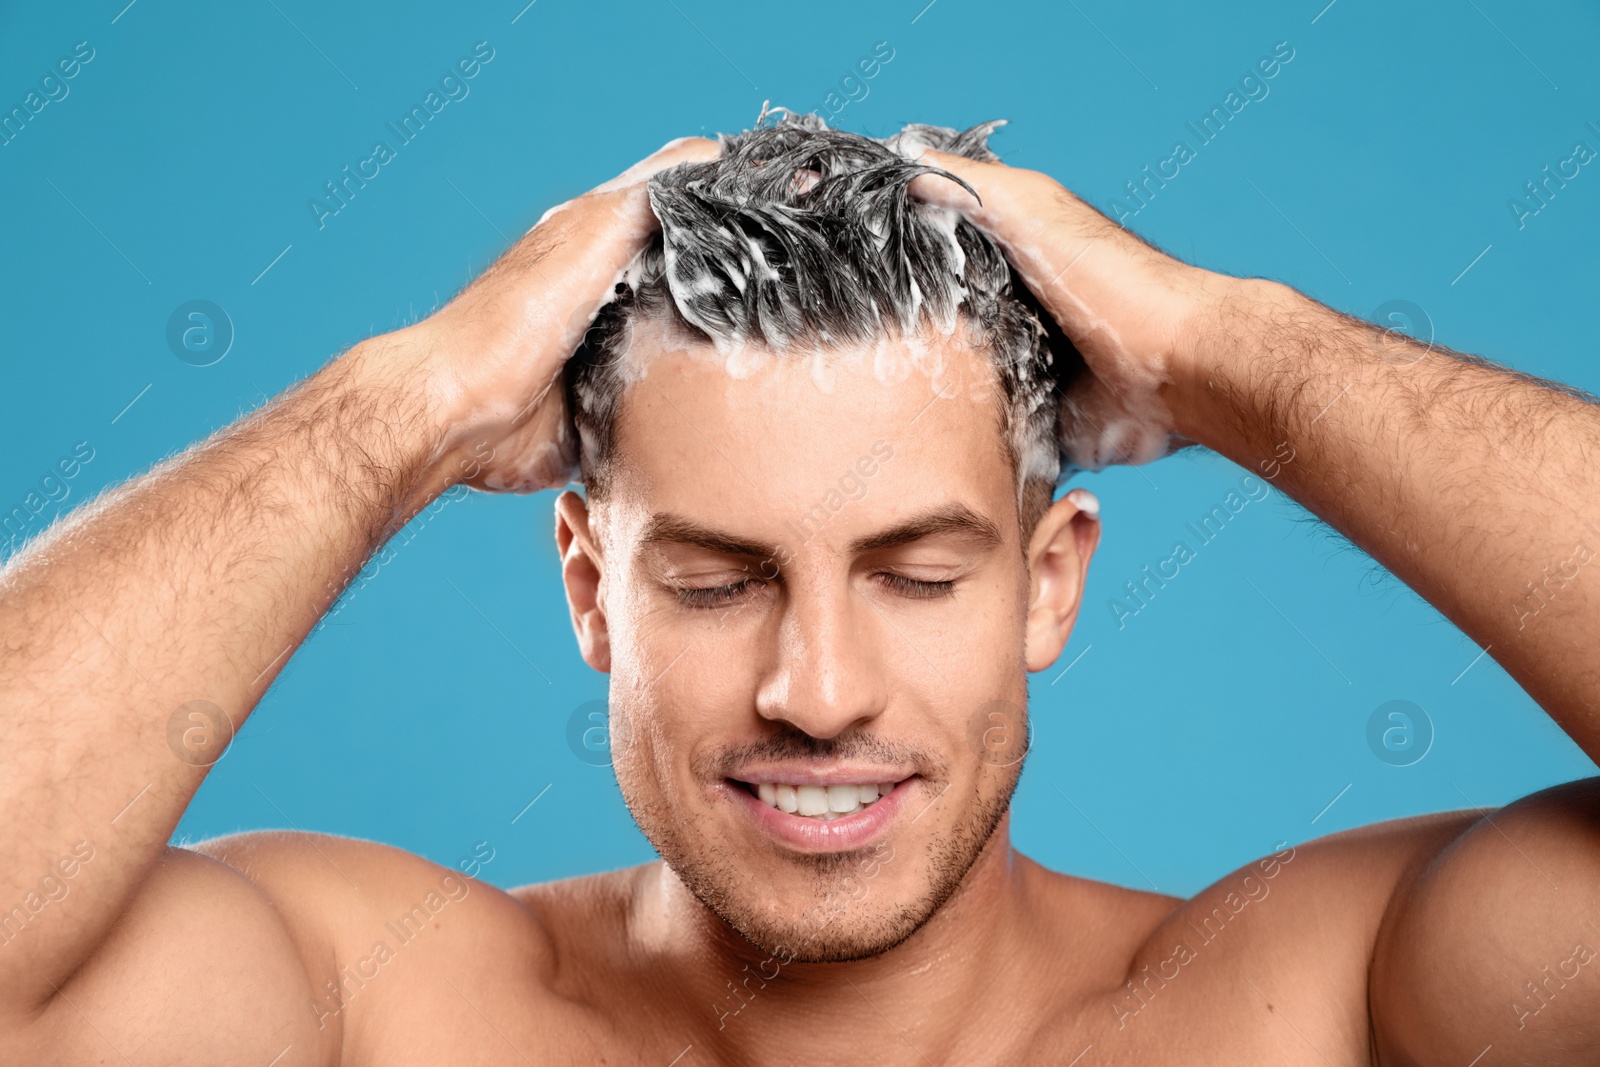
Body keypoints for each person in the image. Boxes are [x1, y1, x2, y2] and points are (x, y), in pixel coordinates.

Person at [2, 112, 1597, 1066]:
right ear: (591, 589)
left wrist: (1228, 351)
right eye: (713, 582)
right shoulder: (384, 1013)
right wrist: (403, 402)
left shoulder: (1329, 1016)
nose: (817, 693)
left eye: (915, 573)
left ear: (1048, 585)